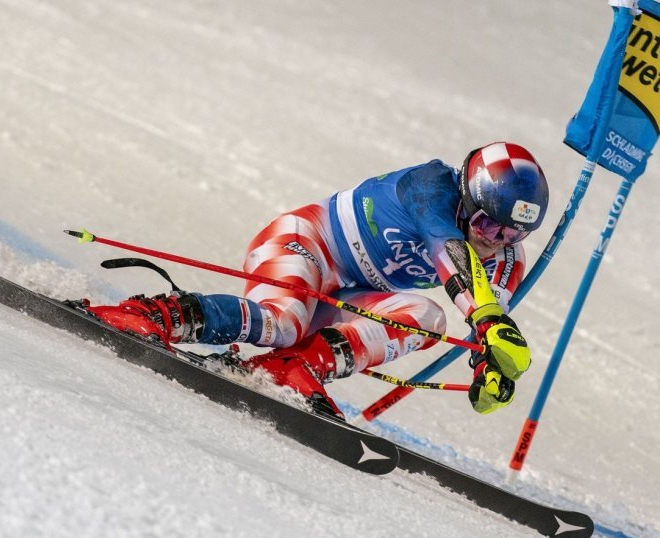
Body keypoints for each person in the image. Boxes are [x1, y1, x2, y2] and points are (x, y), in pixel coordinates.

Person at [83, 142, 547, 419]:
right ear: (466, 198)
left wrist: (493, 370)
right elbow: (452, 258)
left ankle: (292, 369)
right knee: (282, 321)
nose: (496, 241)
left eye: (514, 232)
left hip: (349, 292)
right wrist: (490, 322)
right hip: (307, 244)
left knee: (426, 316)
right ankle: (149, 315)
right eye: (488, 224)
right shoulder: (432, 186)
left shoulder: (506, 258)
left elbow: (485, 321)